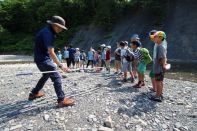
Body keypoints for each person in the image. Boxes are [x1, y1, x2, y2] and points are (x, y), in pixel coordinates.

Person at [29, 15, 74, 107]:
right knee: (56, 76)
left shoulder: (46, 31)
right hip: (43, 60)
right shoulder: (48, 33)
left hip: (40, 59)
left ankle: (34, 93)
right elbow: (51, 52)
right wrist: (61, 66)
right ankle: (61, 100)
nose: (61, 30)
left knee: (46, 75)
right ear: (55, 25)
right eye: (60, 27)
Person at [150, 31, 168, 102]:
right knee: (160, 81)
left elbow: (162, 58)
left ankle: (157, 96)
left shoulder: (160, 47)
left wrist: (163, 66)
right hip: (160, 68)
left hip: (158, 68)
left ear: (160, 38)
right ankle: (160, 94)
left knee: (158, 81)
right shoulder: (160, 45)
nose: (153, 39)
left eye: (155, 37)